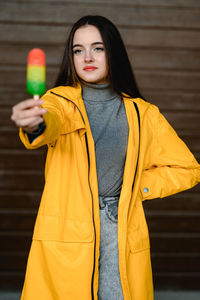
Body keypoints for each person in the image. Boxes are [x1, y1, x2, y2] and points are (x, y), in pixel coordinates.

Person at [11, 15, 200, 300]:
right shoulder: (58, 101)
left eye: (98, 48)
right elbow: (50, 122)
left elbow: (187, 168)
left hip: (119, 225)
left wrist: (137, 187)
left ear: (113, 52)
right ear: (71, 57)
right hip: (68, 229)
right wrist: (34, 123)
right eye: (78, 49)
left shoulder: (143, 114)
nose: (87, 56)